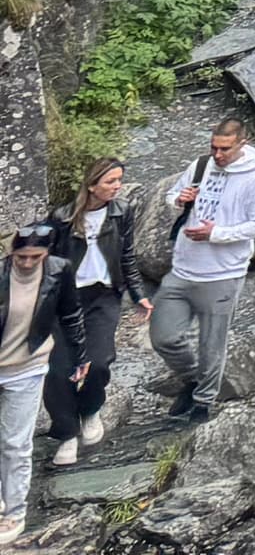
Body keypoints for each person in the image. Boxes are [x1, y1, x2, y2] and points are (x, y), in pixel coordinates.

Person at [151, 117, 255, 420]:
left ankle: (203, 402)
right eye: (214, 147)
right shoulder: (201, 164)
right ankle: (192, 380)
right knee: (163, 336)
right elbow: (172, 198)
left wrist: (217, 233)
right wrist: (179, 200)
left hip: (222, 273)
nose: (218, 155)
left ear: (242, 144)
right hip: (182, 268)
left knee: (212, 344)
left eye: (225, 149)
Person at [46, 158, 139, 465]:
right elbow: (48, 264)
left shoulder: (122, 211)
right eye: (111, 181)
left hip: (104, 295)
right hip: (67, 299)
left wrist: (138, 294)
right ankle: (66, 434)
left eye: (119, 180)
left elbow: (127, 255)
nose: (117, 186)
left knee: (99, 362)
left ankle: (90, 409)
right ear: (91, 185)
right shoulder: (62, 217)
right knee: (59, 370)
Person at [0, 221, 57, 540]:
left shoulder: (58, 272)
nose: (27, 263)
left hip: (29, 366)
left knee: (15, 443)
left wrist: (80, 358)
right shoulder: (1, 275)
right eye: (21, 256)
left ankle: (15, 511)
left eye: (35, 257)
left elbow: (69, 312)